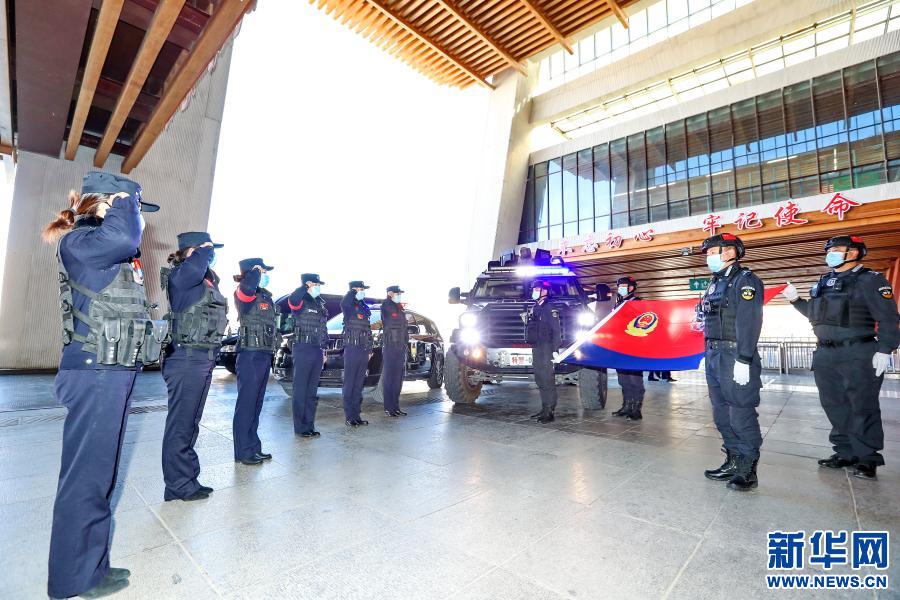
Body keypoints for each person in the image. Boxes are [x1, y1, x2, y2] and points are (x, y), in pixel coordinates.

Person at [43, 171, 163, 599]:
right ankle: (72, 580)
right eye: (133, 207)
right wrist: (126, 200)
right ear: (110, 203)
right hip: (95, 373)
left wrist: (121, 203)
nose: (140, 218)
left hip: (109, 372)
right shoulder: (80, 242)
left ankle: (91, 567)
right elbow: (126, 235)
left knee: (98, 477)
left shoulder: (99, 246)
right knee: (86, 479)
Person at [781, 235, 899, 480]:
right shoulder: (825, 281)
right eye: (829, 250)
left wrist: (885, 349)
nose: (830, 254)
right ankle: (845, 452)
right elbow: (814, 314)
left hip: (858, 352)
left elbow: (888, 317)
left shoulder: (870, 280)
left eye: (836, 249)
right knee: (834, 404)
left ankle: (867, 458)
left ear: (853, 252)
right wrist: (795, 300)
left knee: (862, 406)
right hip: (825, 353)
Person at [160, 232, 228, 500]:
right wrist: (202, 253)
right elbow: (194, 267)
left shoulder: (203, 278)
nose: (211, 253)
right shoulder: (182, 275)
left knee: (190, 423)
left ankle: (187, 478)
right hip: (185, 358)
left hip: (201, 357)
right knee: (181, 425)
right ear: (193, 251)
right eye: (207, 249)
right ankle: (177, 486)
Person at [698, 233, 764, 491]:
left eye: (712, 252)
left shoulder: (745, 280)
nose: (708, 257)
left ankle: (748, 469)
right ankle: (733, 460)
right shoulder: (715, 283)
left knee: (740, 412)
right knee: (721, 413)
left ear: (730, 252)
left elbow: (750, 321)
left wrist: (744, 359)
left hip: (735, 355)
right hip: (714, 354)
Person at [232, 258, 277, 465]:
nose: (265, 274)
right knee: (247, 404)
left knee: (256, 405)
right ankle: (243, 452)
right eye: (261, 271)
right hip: (250, 355)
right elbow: (247, 287)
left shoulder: (264, 295)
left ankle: (253, 447)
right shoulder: (243, 292)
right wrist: (254, 273)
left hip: (263, 353)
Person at [289, 274, 329, 436]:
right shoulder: (300, 300)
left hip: (317, 350)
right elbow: (293, 300)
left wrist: (324, 351)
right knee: (301, 390)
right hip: (302, 348)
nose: (318, 287)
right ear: (308, 285)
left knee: (311, 391)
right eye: (315, 285)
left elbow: (323, 329)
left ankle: (309, 426)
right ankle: (300, 428)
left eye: (318, 285)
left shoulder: (319, 303)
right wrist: (305, 287)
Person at [526, 280, 561, 424]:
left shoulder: (549, 308)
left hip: (547, 347)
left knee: (547, 379)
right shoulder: (536, 307)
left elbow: (557, 331)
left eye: (537, 289)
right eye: (533, 289)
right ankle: (544, 408)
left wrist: (555, 350)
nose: (534, 292)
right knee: (540, 378)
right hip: (537, 346)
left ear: (544, 291)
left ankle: (549, 411)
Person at [612, 276, 644, 420]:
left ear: (631, 288)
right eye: (619, 286)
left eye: (624, 286)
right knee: (623, 379)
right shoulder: (618, 304)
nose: (621, 289)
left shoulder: (638, 303)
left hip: (634, 348)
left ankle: (636, 409)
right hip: (620, 347)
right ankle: (627, 406)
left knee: (635, 379)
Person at [342, 280, 373, 427]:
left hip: (363, 349)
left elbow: (368, 330)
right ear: (354, 290)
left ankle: (356, 416)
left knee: (359, 384)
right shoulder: (349, 306)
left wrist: (369, 350)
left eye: (362, 289)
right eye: (360, 289)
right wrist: (352, 292)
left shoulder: (363, 307)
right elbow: (344, 302)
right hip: (352, 348)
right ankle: (350, 417)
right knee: (350, 383)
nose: (362, 292)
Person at [381, 285, 409, 417]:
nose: (399, 296)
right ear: (390, 293)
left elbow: (403, 327)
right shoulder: (386, 305)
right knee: (389, 378)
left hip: (400, 346)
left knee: (398, 378)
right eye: (397, 293)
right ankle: (389, 407)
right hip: (390, 346)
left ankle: (396, 407)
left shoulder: (399, 307)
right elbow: (393, 319)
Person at [592, 283, 613, 409]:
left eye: (599, 292)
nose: (598, 294)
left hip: (608, 337)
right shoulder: (593, 304)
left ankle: (632, 406)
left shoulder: (613, 301)